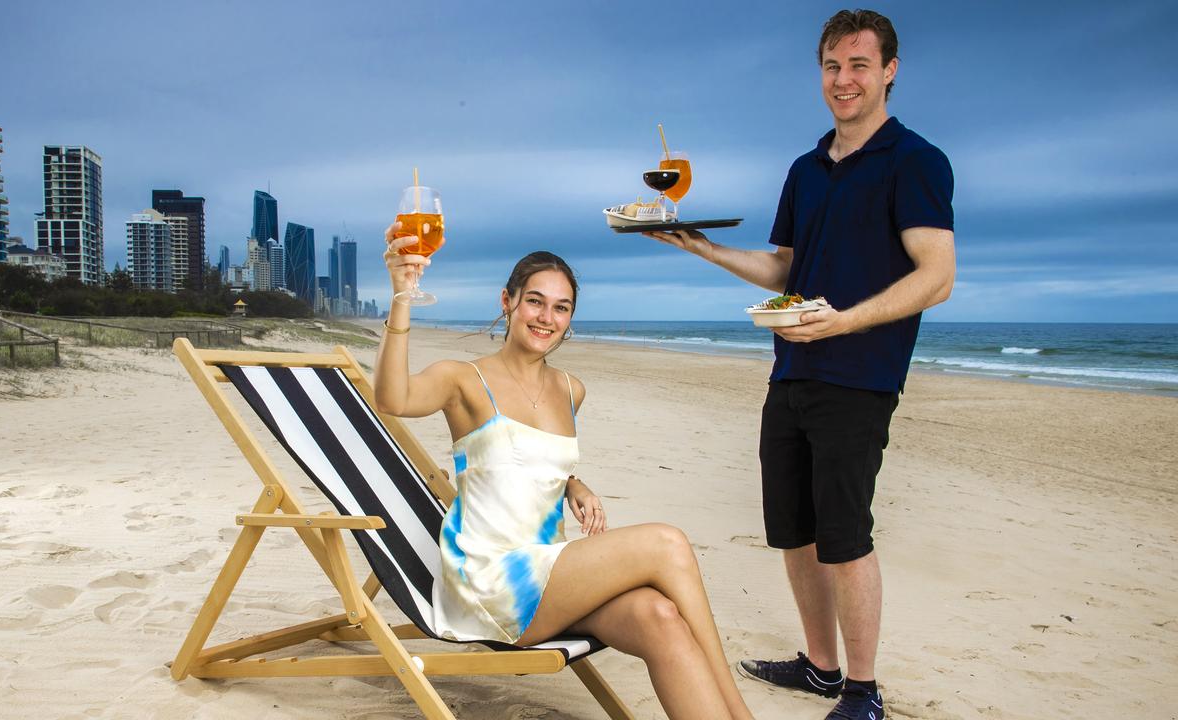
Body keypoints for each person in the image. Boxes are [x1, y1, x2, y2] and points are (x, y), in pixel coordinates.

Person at [644, 9, 955, 720]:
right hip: (791, 372)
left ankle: (863, 690)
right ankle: (820, 666)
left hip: (861, 374)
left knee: (845, 535)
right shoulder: (805, 169)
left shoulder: (916, 161)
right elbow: (784, 266)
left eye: (857, 66)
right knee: (794, 528)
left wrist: (844, 320)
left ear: (889, 72)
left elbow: (936, 275)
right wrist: (706, 249)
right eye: (831, 67)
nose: (843, 81)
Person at [374, 233, 755, 720]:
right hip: (492, 581)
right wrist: (401, 294)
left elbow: (531, 461)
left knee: (659, 617)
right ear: (507, 302)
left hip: (550, 570)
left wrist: (574, 482)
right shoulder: (462, 378)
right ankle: (742, 713)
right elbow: (392, 399)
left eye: (561, 307)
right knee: (668, 544)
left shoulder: (570, 390)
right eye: (534, 301)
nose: (546, 318)